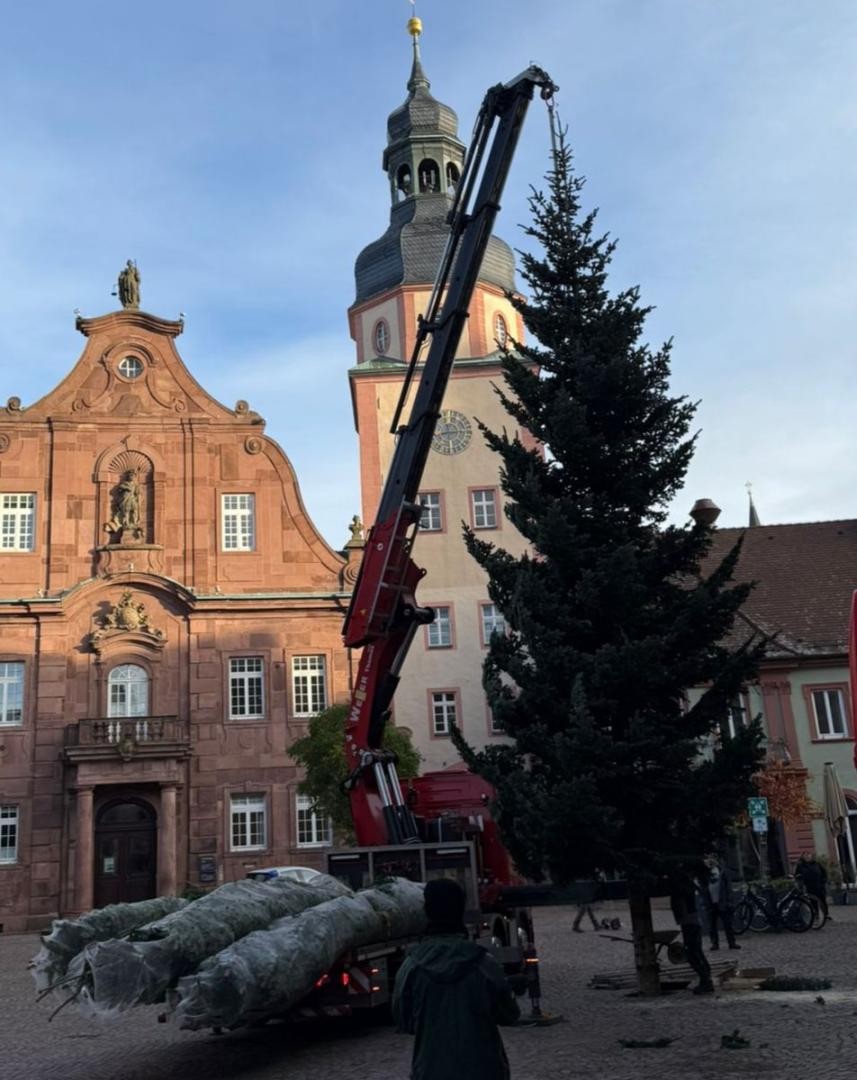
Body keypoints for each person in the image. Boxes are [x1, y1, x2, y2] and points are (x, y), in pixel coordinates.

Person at [392, 878, 520, 1080]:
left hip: (430, 1071)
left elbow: (404, 1021)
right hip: (484, 1070)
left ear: (426, 911)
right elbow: (509, 1014)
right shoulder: (485, 964)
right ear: (460, 910)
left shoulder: (411, 968)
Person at [669, 868, 714, 995]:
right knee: (696, 951)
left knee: (692, 953)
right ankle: (706, 978)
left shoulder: (682, 888)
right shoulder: (688, 886)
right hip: (691, 921)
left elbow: (680, 904)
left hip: (689, 922)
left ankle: (706, 980)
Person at [703, 854, 740, 951]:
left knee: (728, 924)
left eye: (712, 858)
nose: (710, 860)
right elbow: (703, 888)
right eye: (708, 858)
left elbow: (728, 887)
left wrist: (729, 900)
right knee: (712, 926)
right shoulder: (704, 873)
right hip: (710, 903)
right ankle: (715, 944)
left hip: (722, 902)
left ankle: (732, 943)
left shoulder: (722, 871)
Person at [795, 853, 830, 922]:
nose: (807, 856)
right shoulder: (800, 866)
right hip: (809, 886)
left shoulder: (817, 864)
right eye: (805, 855)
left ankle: (826, 915)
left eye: (808, 855)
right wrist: (801, 884)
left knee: (822, 900)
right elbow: (797, 875)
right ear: (802, 857)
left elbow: (824, 872)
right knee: (813, 901)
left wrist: (823, 881)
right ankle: (816, 915)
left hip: (819, 885)